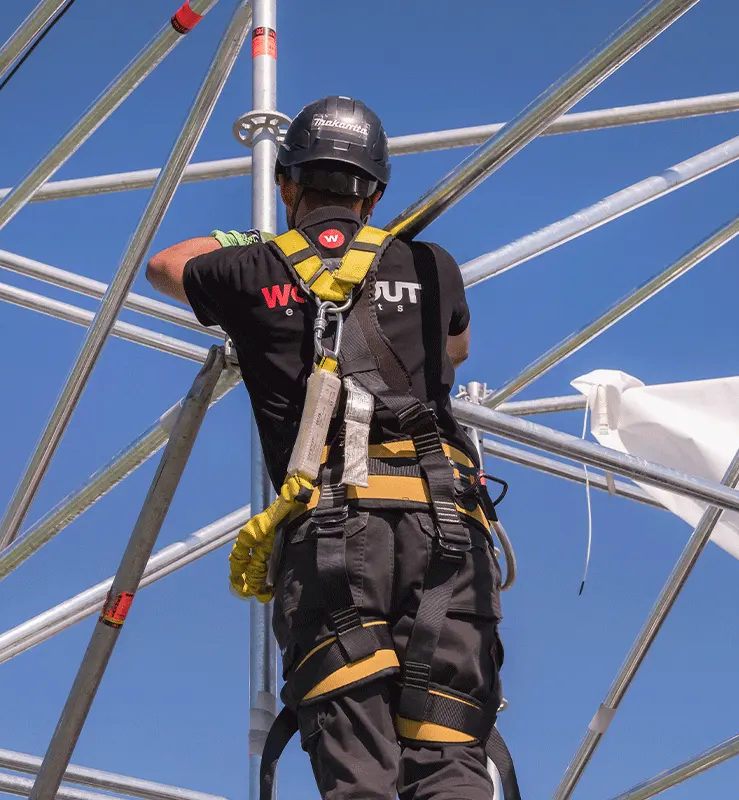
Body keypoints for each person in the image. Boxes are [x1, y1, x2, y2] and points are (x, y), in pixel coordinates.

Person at [148, 96, 511, 800]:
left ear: (288, 184)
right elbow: (456, 348)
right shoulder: (432, 264)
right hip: (446, 533)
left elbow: (167, 264)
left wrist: (254, 250)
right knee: (448, 761)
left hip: (334, 540)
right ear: (374, 193)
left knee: (360, 771)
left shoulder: (252, 274)